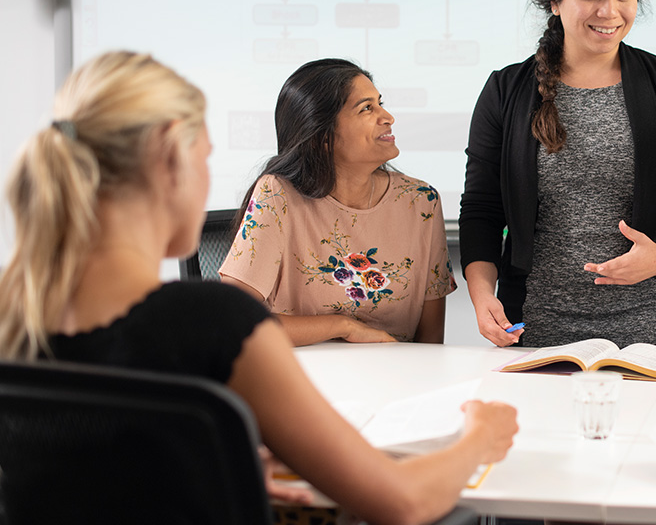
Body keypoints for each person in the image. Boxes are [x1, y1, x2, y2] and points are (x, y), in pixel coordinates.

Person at [0, 51, 518, 525]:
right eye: (204, 156)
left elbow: (105, 460)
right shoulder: (215, 323)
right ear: (169, 159)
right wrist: (478, 439)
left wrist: (216, 461)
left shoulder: (15, 313)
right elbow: (402, 502)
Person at [460, 0, 656, 352]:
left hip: (650, 326)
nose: (610, 10)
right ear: (554, 0)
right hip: (532, 326)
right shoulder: (506, 90)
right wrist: (481, 297)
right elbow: (481, 209)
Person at [220, 58, 456, 347]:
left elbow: (430, 343)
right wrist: (344, 327)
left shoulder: (421, 203)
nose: (388, 117)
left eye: (380, 103)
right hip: (300, 380)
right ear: (322, 136)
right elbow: (231, 319)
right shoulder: (277, 196)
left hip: (395, 383)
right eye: (367, 108)